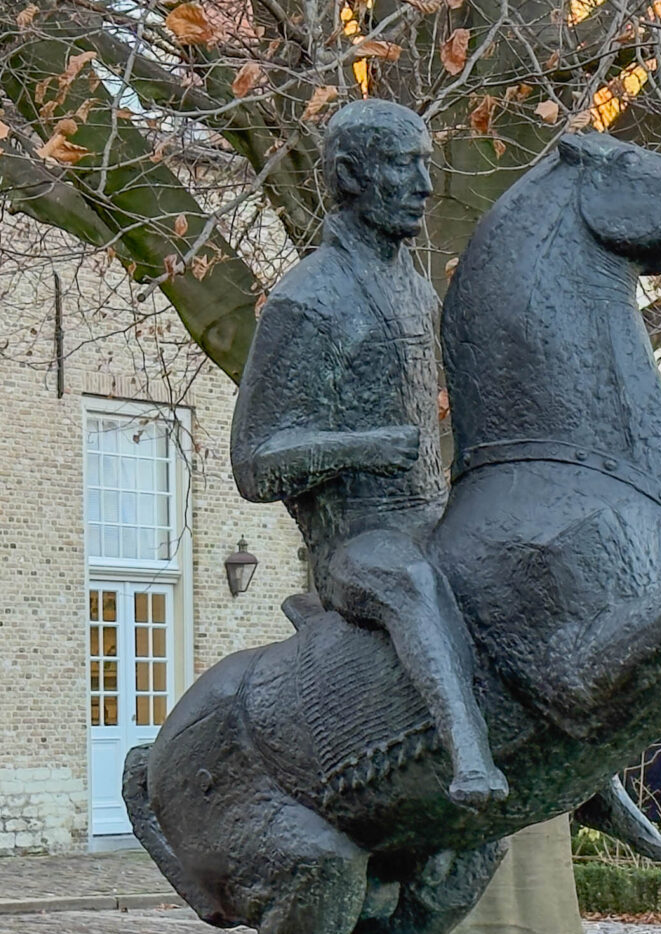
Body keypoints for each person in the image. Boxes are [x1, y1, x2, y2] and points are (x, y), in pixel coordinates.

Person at [231, 99, 507, 807]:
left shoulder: (414, 289)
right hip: (357, 545)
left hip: (433, 517)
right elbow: (255, 462)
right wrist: (366, 447)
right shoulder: (308, 299)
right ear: (352, 176)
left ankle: (590, 770)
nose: (424, 184)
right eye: (402, 166)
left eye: (426, 164)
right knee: (410, 581)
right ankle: (469, 757)